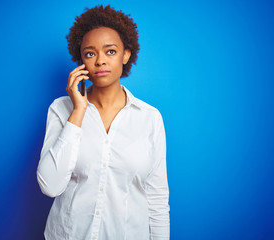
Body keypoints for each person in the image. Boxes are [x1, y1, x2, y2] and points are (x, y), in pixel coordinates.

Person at [37, 5, 170, 240]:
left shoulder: (149, 118)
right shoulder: (61, 109)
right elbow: (50, 186)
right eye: (90, 53)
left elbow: (157, 198)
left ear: (125, 55)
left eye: (110, 51)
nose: (100, 61)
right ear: (81, 62)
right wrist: (78, 112)